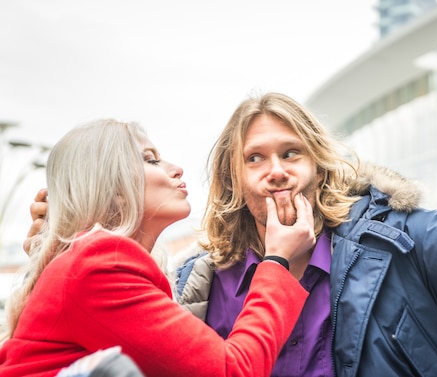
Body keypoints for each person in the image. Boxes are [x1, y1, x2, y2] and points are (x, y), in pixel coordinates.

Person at [22, 94, 437, 377]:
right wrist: (62, 240)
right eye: (256, 159)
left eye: (291, 153)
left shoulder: (398, 239)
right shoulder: (196, 284)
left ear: (319, 166)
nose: (277, 170)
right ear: (234, 180)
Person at [0, 119, 316, 377]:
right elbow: (231, 370)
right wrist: (276, 260)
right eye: (151, 159)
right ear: (114, 189)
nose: (176, 168)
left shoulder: (87, 262)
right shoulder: (100, 263)